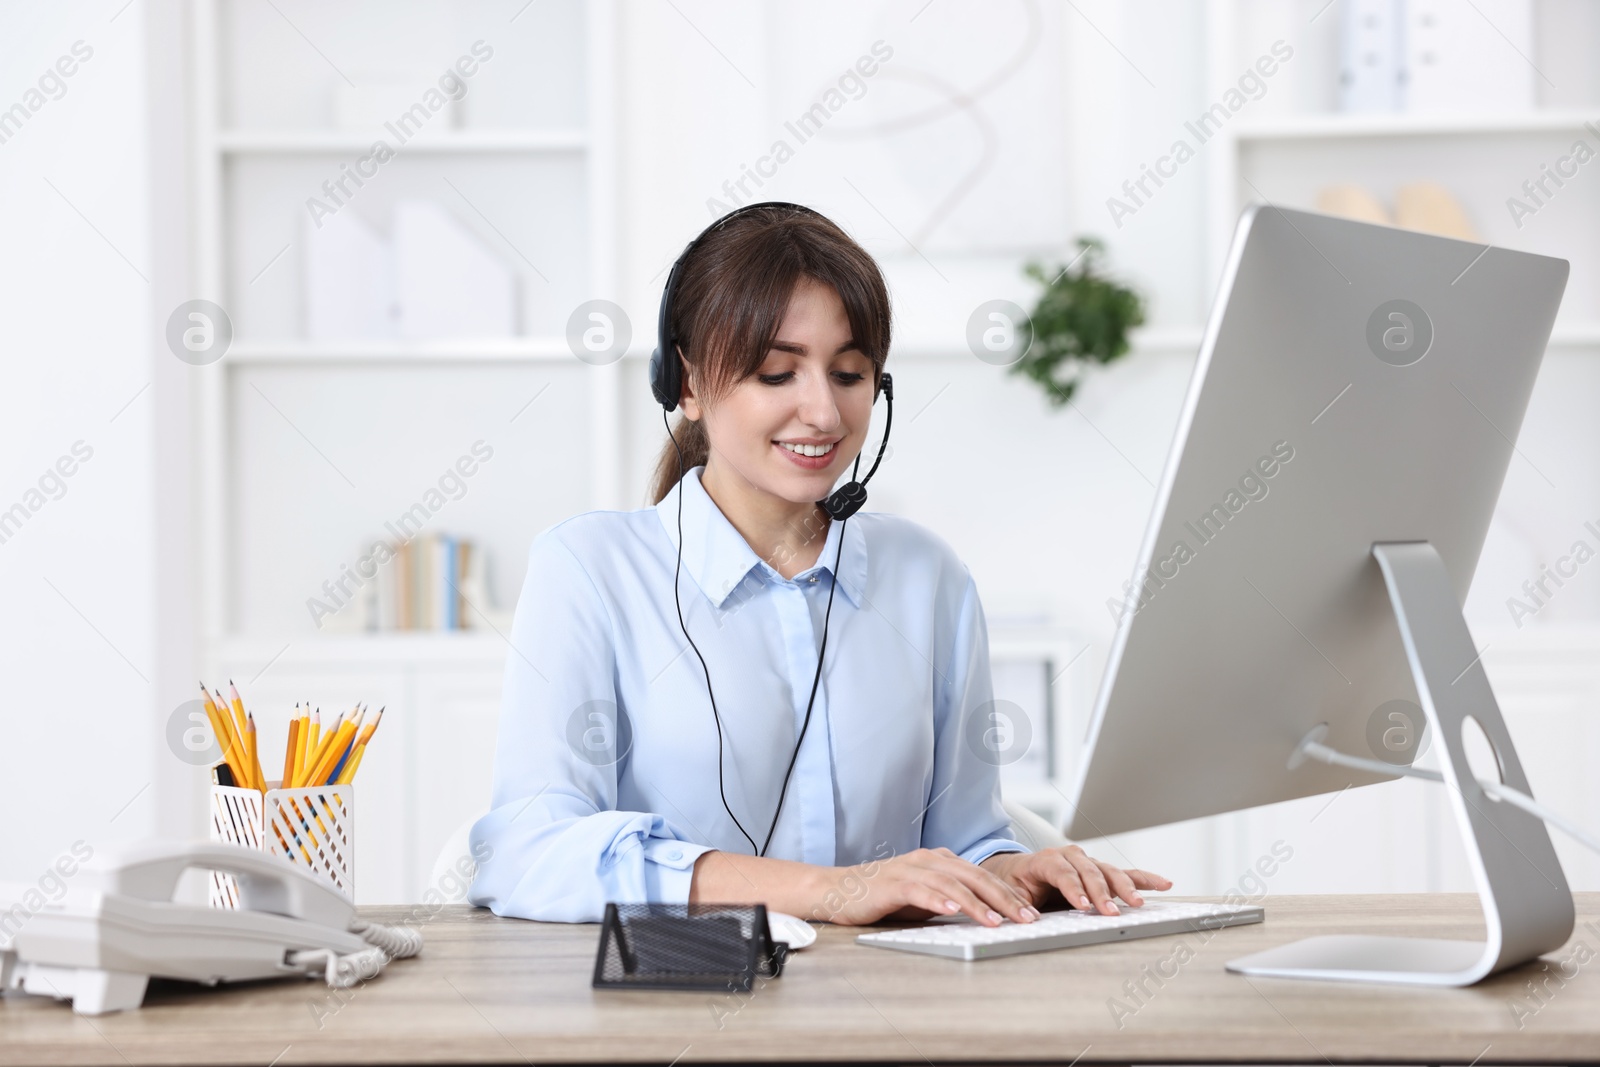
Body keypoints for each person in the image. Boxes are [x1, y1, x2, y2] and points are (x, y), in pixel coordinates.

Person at [468, 203, 1170, 926]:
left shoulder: (926, 577)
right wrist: (830, 890)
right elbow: (529, 852)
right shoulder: (590, 570)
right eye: (777, 373)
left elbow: (961, 839)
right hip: (678, 1017)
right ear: (687, 384)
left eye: (849, 372)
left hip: (894, 1011)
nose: (825, 413)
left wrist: (1014, 870)